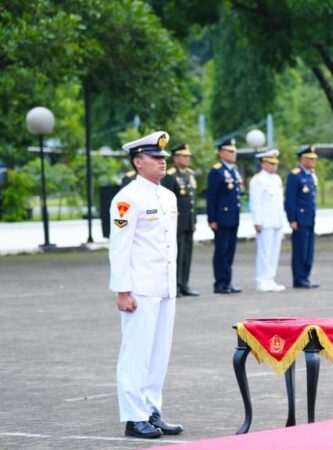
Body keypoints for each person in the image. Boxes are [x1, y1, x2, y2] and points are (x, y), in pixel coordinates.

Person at [108, 131, 183, 439]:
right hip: (139, 287)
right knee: (136, 354)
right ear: (138, 162)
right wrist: (122, 290)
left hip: (164, 286)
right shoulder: (126, 198)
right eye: (155, 158)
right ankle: (133, 416)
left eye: (164, 157)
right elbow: (120, 247)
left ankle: (152, 410)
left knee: (158, 354)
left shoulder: (167, 196)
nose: (162, 162)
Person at [160, 143, 199, 297]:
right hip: (176, 222)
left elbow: (192, 200)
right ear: (175, 157)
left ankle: (184, 284)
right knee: (176, 255)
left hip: (188, 221)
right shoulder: (170, 175)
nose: (187, 158)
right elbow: (167, 200)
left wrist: (194, 219)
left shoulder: (189, 174)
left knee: (187, 254)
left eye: (188, 156)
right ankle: (174, 285)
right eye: (184, 156)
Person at [206, 137, 243, 294]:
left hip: (233, 217)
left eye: (234, 151)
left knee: (230, 250)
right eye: (229, 151)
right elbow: (211, 197)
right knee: (221, 251)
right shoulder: (217, 171)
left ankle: (228, 281)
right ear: (221, 153)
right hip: (221, 218)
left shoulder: (234, 170)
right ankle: (220, 283)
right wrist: (212, 218)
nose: (233, 154)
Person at [249, 149, 287, 292]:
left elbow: (279, 202)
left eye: (275, 163)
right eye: (270, 163)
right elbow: (255, 202)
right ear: (263, 164)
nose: (274, 166)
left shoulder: (276, 179)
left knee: (274, 251)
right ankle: (261, 280)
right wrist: (257, 222)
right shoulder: (257, 179)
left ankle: (270, 278)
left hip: (276, 220)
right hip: (265, 222)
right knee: (264, 252)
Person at [284, 145, 320, 288]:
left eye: (313, 158)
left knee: (309, 250)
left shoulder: (310, 175)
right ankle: (299, 278)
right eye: (310, 159)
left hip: (310, 218)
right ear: (302, 159)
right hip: (299, 219)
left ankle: (306, 276)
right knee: (300, 250)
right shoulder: (295, 175)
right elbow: (290, 199)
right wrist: (291, 219)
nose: (313, 161)